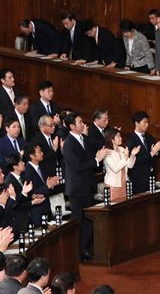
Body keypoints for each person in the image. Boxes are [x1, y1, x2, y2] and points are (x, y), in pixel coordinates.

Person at [62, 112, 107, 261]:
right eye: (80, 122)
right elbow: (77, 166)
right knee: (78, 221)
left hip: (87, 186)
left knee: (89, 219)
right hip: (76, 188)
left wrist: (98, 156)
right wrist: (96, 160)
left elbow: (92, 155)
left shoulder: (85, 139)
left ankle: (85, 249)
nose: (83, 124)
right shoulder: (68, 143)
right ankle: (76, 252)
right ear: (72, 126)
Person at [22, 144, 60, 226]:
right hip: (36, 211)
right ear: (32, 155)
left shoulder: (42, 166)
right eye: (39, 152)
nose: (42, 153)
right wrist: (47, 187)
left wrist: (52, 184)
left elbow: (47, 184)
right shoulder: (27, 171)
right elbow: (30, 193)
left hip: (47, 207)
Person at [127, 111, 160, 194]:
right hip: (139, 178)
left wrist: (157, 152)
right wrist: (152, 153)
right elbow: (136, 160)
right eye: (145, 122)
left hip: (151, 176)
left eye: (148, 122)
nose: (147, 124)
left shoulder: (149, 137)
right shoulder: (131, 139)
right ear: (137, 123)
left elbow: (157, 154)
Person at [104, 128, 139, 200]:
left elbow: (130, 165)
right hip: (113, 185)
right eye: (118, 137)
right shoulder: (107, 153)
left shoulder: (122, 149)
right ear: (112, 139)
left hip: (124, 182)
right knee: (113, 207)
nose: (121, 138)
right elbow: (115, 169)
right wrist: (125, 158)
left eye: (120, 136)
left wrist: (132, 155)